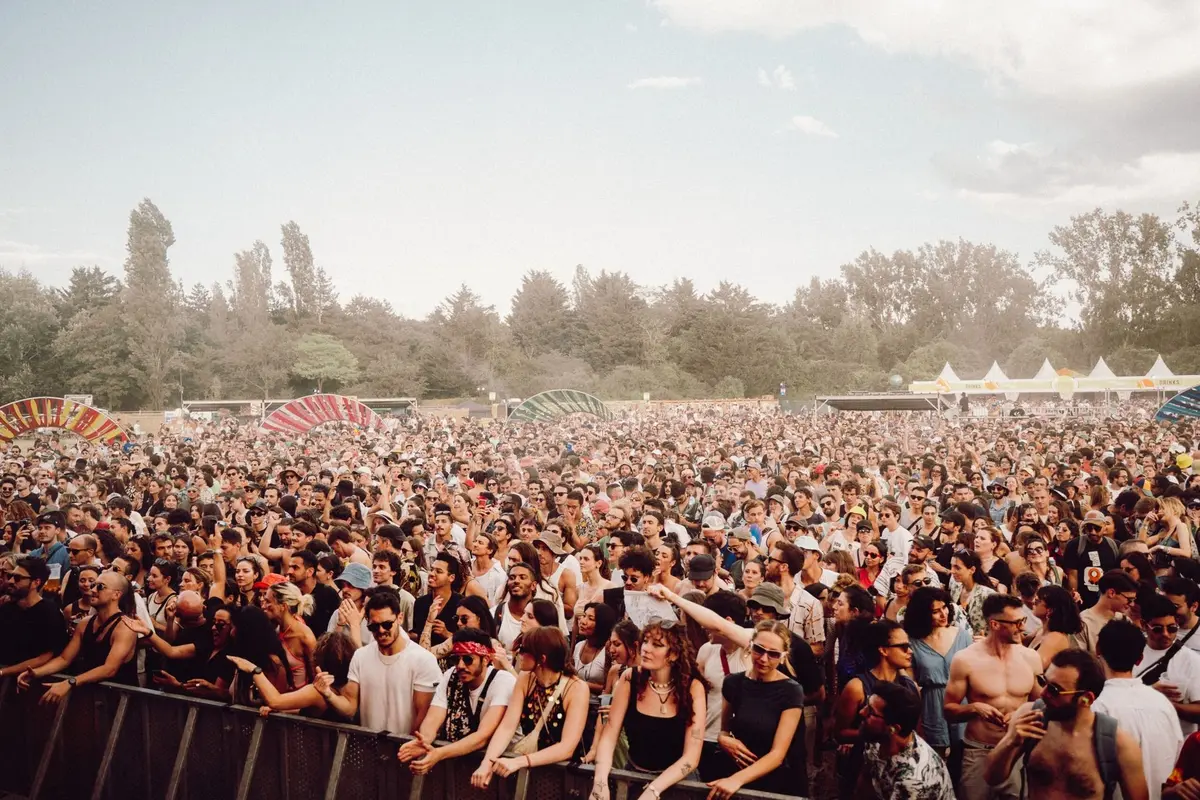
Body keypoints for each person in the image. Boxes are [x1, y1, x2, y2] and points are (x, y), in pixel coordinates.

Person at [984, 648, 1148, 800]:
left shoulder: (1118, 744)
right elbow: (991, 778)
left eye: (1054, 690)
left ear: (1086, 699)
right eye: (1043, 681)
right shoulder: (1031, 717)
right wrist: (1010, 742)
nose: (1043, 693)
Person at [589, 620, 707, 800]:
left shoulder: (693, 687)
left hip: (678, 784)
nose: (646, 648)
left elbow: (691, 756)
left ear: (674, 654)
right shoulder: (630, 680)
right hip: (635, 778)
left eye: (657, 645)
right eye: (645, 641)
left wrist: (653, 791)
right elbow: (609, 735)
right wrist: (600, 781)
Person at [945, 593, 1044, 800]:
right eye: (1016, 623)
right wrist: (975, 708)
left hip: (1017, 750)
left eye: (1022, 620)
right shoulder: (966, 660)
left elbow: (1041, 704)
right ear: (995, 624)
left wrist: (1020, 713)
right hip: (979, 750)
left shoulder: (1030, 658)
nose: (1022, 628)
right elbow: (949, 710)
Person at [471, 627, 590, 788]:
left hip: (565, 777)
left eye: (523, 650)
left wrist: (519, 762)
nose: (518, 654)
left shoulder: (576, 688)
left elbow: (567, 747)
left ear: (542, 658)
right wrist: (487, 763)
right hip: (531, 771)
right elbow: (507, 727)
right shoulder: (525, 678)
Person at [704, 620, 805, 798]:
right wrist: (723, 739)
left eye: (773, 654)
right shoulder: (733, 682)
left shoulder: (791, 691)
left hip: (770, 781)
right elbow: (724, 730)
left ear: (783, 656)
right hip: (732, 770)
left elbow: (778, 754)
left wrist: (737, 780)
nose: (764, 659)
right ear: (750, 646)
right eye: (759, 649)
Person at [320, 589, 442, 734]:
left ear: (400, 618)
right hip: (370, 749)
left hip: (406, 750)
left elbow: (424, 716)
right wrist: (328, 694)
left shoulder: (423, 660)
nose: (381, 630)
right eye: (374, 626)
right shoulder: (360, 656)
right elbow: (350, 707)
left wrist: (407, 747)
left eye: (387, 624)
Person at [397, 627, 517, 775]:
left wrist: (440, 753)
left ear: (485, 660)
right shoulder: (451, 676)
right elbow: (433, 719)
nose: (460, 666)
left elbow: (482, 737)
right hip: (460, 765)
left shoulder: (503, 682)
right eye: (455, 659)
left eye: (468, 659)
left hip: (498, 769)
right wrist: (425, 741)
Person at [1093, 619, 1183, 800]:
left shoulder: (1098, 709)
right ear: (1140, 658)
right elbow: (1177, 755)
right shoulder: (1163, 704)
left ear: (1097, 650)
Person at [17, 569, 139, 698]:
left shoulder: (125, 628)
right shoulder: (85, 623)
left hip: (121, 702)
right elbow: (65, 659)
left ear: (116, 595)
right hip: (94, 698)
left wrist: (70, 682)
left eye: (100, 587)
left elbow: (109, 669)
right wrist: (35, 672)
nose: (93, 590)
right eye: (93, 586)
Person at [833, 619, 920, 797]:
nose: (910, 651)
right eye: (903, 647)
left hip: (898, 773)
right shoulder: (857, 687)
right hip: (860, 772)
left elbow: (916, 732)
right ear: (883, 650)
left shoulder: (909, 687)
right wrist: (870, 734)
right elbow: (839, 732)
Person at [858, 680, 956, 800]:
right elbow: (866, 779)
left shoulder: (914, 781)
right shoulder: (877, 738)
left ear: (894, 729)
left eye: (871, 712)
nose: (862, 712)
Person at [227, 631, 357, 720]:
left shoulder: (317, 691)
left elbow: (275, 700)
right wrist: (284, 710)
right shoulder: (349, 688)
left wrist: (254, 670)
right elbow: (310, 709)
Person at [905, 586, 972, 755]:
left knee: (963, 755)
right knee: (935, 755)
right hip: (930, 703)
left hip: (961, 700)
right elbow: (910, 683)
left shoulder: (962, 635)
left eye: (944, 608)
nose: (944, 614)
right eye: (936, 611)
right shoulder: (912, 642)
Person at [1136, 593, 1200, 736]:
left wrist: (1167, 705)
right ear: (1143, 625)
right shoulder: (1130, 653)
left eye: (1172, 628)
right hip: (1140, 739)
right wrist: (1149, 693)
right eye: (1158, 629)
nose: (1166, 634)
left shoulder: (1191, 660)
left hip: (1177, 745)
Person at [0, 557, 70, 679]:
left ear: (36, 582)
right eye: (11, 576)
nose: (11, 581)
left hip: (29, 680)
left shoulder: (50, 613)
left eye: (17, 578)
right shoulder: (7, 608)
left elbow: (44, 657)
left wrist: (4, 672)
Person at [1062, 511, 1122, 609]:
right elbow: (1072, 574)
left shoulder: (1115, 546)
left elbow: (1118, 575)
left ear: (1104, 527)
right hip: (1083, 601)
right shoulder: (1075, 545)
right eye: (1089, 528)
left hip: (1107, 600)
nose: (1093, 532)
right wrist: (1073, 594)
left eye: (1097, 528)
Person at [1079, 570, 1139, 654]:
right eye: (1129, 599)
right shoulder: (1083, 623)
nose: (1132, 604)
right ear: (1111, 593)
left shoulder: (1125, 620)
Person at [1029, 584, 1086, 669]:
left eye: (1037, 601)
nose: (1032, 602)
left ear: (1050, 610)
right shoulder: (1041, 630)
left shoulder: (1056, 638)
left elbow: (1035, 667)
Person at [574, 602, 616, 694]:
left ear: (602, 624)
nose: (583, 621)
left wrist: (580, 684)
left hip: (597, 705)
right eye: (584, 616)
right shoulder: (578, 646)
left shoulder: (609, 651)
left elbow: (611, 688)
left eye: (590, 618)